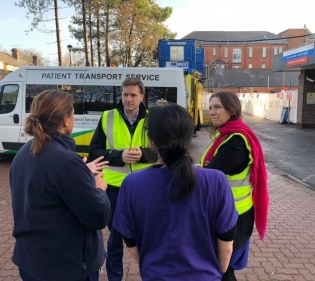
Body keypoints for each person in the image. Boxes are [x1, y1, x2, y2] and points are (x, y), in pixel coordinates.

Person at [113, 103, 238, 281]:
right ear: (188, 138)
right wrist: (216, 272)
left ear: (152, 141)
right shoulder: (216, 181)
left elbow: (130, 241)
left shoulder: (132, 183)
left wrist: (150, 268)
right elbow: (226, 242)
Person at [10, 90, 111, 281]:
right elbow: (98, 217)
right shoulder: (64, 162)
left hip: (31, 260)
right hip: (65, 268)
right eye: (72, 113)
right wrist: (99, 187)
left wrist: (82, 173)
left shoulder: (24, 152)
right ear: (66, 120)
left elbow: (47, 188)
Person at [89, 77, 154, 281]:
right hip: (114, 189)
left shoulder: (153, 119)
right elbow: (94, 152)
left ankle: (151, 275)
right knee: (115, 240)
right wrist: (119, 155)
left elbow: (164, 149)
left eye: (133, 95)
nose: (128, 99)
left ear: (142, 96)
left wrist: (143, 155)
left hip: (145, 189)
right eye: (125, 94)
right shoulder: (108, 117)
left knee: (147, 239)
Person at [200, 91, 269, 281]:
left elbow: (210, 175)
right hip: (229, 212)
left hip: (233, 216)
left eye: (218, 107)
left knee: (222, 268)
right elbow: (209, 168)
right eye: (211, 107)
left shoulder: (236, 141)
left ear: (231, 110)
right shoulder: (227, 135)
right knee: (221, 267)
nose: (212, 112)